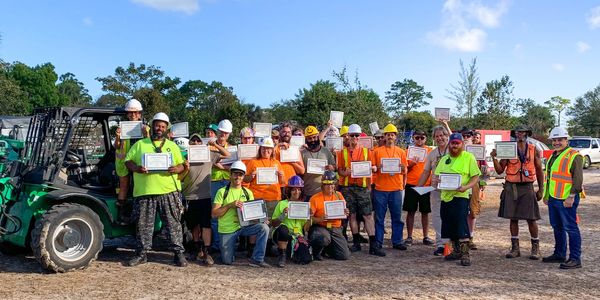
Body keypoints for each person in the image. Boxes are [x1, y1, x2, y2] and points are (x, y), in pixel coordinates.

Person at [124, 112, 187, 267]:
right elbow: (127, 161)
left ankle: (178, 253)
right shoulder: (140, 144)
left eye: (163, 126)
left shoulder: (172, 146)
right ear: (152, 126)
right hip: (145, 191)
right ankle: (142, 253)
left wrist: (176, 169)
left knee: (173, 224)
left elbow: (183, 165)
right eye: (157, 125)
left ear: (166, 128)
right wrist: (137, 168)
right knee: (143, 225)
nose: (159, 128)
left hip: (168, 191)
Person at [491, 125, 543, 260]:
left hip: (527, 187)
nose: (519, 134)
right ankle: (515, 248)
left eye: (522, 132)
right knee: (513, 218)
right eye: (517, 132)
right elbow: (499, 171)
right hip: (511, 186)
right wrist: (494, 158)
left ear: (527, 133)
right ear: (515, 134)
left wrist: (541, 189)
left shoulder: (533, 149)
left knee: (531, 219)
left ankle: (535, 248)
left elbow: (539, 170)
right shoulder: (508, 149)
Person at [181, 133, 229, 266]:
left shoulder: (209, 156)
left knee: (206, 225)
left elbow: (227, 155)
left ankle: (207, 252)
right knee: (194, 226)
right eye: (193, 141)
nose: (196, 143)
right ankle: (198, 250)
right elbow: (179, 176)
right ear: (189, 144)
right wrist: (185, 166)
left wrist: (215, 145)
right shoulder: (185, 157)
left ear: (202, 143)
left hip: (205, 197)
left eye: (198, 141)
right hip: (189, 197)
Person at [337, 124, 385, 256]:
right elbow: (339, 170)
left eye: (357, 135)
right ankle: (356, 243)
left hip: (363, 188)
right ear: (348, 136)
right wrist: (344, 172)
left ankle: (373, 245)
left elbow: (374, 167)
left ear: (360, 136)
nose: (354, 138)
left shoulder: (367, 152)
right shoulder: (342, 153)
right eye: (352, 135)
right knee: (351, 215)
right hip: (348, 188)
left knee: (367, 215)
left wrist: (374, 169)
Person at [212, 161, 271, 267]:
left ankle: (258, 259)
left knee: (264, 227)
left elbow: (253, 215)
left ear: (243, 176)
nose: (238, 177)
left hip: (243, 227)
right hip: (228, 229)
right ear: (230, 174)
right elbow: (214, 214)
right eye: (235, 174)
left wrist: (262, 219)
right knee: (227, 261)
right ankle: (231, 253)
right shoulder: (222, 192)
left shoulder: (248, 193)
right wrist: (230, 205)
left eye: (240, 174)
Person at [434, 133, 481, 266]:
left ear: (462, 144)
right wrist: (437, 181)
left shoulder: (468, 157)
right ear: (449, 144)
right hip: (445, 196)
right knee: (449, 224)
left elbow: (475, 177)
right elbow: (437, 176)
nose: (454, 146)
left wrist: (466, 187)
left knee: (461, 224)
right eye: (452, 143)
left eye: (457, 143)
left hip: (461, 195)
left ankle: (465, 253)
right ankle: (456, 251)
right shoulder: (444, 159)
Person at [542, 127, 584, 269]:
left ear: (566, 140)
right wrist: (546, 195)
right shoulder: (553, 155)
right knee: (557, 227)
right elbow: (550, 178)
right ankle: (559, 253)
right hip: (554, 197)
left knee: (570, 228)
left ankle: (575, 259)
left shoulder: (574, 155)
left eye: (560, 140)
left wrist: (571, 196)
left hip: (567, 198)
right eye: (554, 140)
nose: (556, 142)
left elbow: (577, 180)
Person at [371, 124, 408, 251]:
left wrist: (403, 169)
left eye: (392, 134)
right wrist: (379, 168)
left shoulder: (401, 152)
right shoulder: (376, 151)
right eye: (388, 135)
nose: (390, 137)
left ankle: (397, 241)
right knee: (379, 218)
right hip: (380, 189)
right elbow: (372, 168)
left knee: (397, 217)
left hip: (396, 188)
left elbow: (405, 169)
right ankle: (378, 241)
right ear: (384, 136)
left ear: (395, 137)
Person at [114, 99, 149, 225]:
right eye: (130, 113)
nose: (133, 115)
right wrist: (118, 136)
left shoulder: (146, 129)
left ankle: (137, 216)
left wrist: (146, 134)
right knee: (124, 187)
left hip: (139, 163)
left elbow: (151, 145)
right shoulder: (123, 128)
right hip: (124, 163)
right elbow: (116, 146)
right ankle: (122, 215)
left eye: (135, 113)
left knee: (137, 188)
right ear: (127, 114)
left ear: (140, 114)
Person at [417, 125, 450, 256]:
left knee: (451, 216)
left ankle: (452, 243)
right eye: (437, 136)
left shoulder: (454, 150)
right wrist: (418, 187)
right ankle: (441, 244)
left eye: (442, 135)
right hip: (436, 189)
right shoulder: (432, 154)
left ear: (447, 136)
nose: (440, 138)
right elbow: (426, 172)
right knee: (437, 216)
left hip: (452, 190)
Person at [308, 170, 350, 260]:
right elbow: (309, 218)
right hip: (320, 227)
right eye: (326, 184)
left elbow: (344, 213)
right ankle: (316, 252)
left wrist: (346, 212)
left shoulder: (339, 195)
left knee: (344, 256)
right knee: (322, 238)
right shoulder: (315, 198)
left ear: (335, 184)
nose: (329, 186)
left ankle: (326, 249)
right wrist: (320, 219)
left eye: (331, 184)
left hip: (335, 228)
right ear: (322, 185)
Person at [271, 176, 310, 267]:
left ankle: (288, 251)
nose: (297, 192)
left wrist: (310, 218)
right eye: (294, 190)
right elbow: (273, 223)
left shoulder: (303, 206)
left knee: (305, 259)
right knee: (283, 229)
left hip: (296, 236)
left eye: (299, 189)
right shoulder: (282, 204)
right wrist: (282, 216)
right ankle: (282, 255)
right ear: (289, 191)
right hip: (283, 235)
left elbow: (305, 228)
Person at [403, 130, 433, 246]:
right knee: (411, 211)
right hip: (411, 184)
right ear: (413, 139)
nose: (419, 140)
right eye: (417, 138)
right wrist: (412, 164)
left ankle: (426, 236)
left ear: (426, 138)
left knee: (425, 212)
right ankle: (409, 236)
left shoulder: (430, 151)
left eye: (422, 138)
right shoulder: (408, 151)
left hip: (426, 185)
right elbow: (405, 170)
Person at [244, 137, 285, 217]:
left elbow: (283, 182)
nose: (266, 151)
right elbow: (245, 179)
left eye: (268, 148)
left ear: (272, 150)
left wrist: (281, 176)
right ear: (260, 149)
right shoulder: (253, 162)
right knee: (257, 223)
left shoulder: (276, 163)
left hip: (273, 198)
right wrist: (251, 176)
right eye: (263, 148)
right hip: (257, 198)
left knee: (272, 223)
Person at [210, 119, 234, 250]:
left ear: (229, 134)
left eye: (226, 133)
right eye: (221, 132)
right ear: (217, 131)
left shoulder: (232, 149)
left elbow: (233, 167)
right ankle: (216, 244)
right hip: (213, 182)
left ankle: (227, 244)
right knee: (214, 215)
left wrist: (223, 168)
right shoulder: (210, 146)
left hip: (228, 183)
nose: (223, 134)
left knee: (228, 214)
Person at [300, 126, 336, 201]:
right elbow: (299, 172)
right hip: (308, 192)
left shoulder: (326, 151)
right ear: (306, 139)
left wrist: (331, 167)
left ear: (318, 137)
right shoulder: (302, 153)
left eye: (314, 137)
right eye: (309, 138)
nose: (313, 140)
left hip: (325, 191)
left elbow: (335, 167)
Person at [275, 122, 306, 193]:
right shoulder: (274, 149)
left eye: (289, 132)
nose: (286, 134)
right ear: (279, 133)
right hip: (277, 185)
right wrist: (279, 145)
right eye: (284, 132)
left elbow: (302, 171)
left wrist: (291, 162)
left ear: (291, 134)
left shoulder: (294, 149)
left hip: (291, 186)